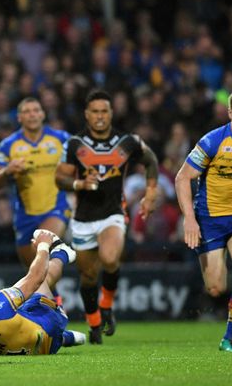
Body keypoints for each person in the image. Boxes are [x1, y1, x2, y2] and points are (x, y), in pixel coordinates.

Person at [55, 90, 158, 344]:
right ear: (86, 115)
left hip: (112, 213)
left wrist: (151, 192)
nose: (100, 116)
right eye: (95, 112)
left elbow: (151, 159)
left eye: (104, 111)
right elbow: (60, 178)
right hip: (83, 219)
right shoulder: (75, 144)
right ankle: (94, 323)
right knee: (88, 276)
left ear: (111, 113)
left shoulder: (127, 141)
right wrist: (80, 184)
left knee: (110, 258)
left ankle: (107, 305)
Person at [175, 87, 232, 352]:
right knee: (215, 287)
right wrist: (189, 220)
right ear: (230, 113)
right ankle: (222, 312)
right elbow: (183, 178)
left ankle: (230, 338)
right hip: (209, 220)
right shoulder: (213, 141)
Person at [0, 97, 71, 268]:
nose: (32, 115)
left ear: (43, 114)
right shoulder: (8, 145)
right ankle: (54, 295)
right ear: (19, 117)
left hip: (56, 209)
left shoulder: (61, 139)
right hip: (24, 216)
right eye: (27, 111)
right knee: (34, 273)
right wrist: (7, 171)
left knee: (43, 250)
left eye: (36, 110)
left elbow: (81, 165)